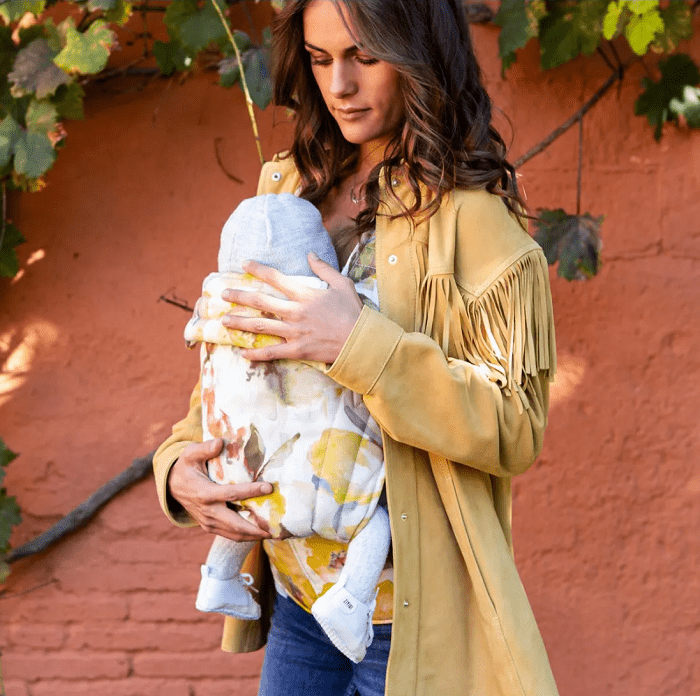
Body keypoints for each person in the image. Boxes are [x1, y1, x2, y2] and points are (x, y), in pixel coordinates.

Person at [153, 1, 560, 695]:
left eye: (363, 57)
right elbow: (236, 363)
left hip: (405, 614)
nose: (338, 85)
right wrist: (178, 469)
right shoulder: (287, 181)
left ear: (417, 54)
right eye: (318, 60)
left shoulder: (471, 216)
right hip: (299, 600)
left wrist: (361, 345)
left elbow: (515, 428)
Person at [186, 192, 391, 664]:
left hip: (249, 470)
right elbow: (370, 327)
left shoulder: (216, 306)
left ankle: (218, 578)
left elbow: (198, 344)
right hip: (327, 491)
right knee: (371, 521)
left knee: (247, 508)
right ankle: (349, 601)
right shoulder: (331, 304)